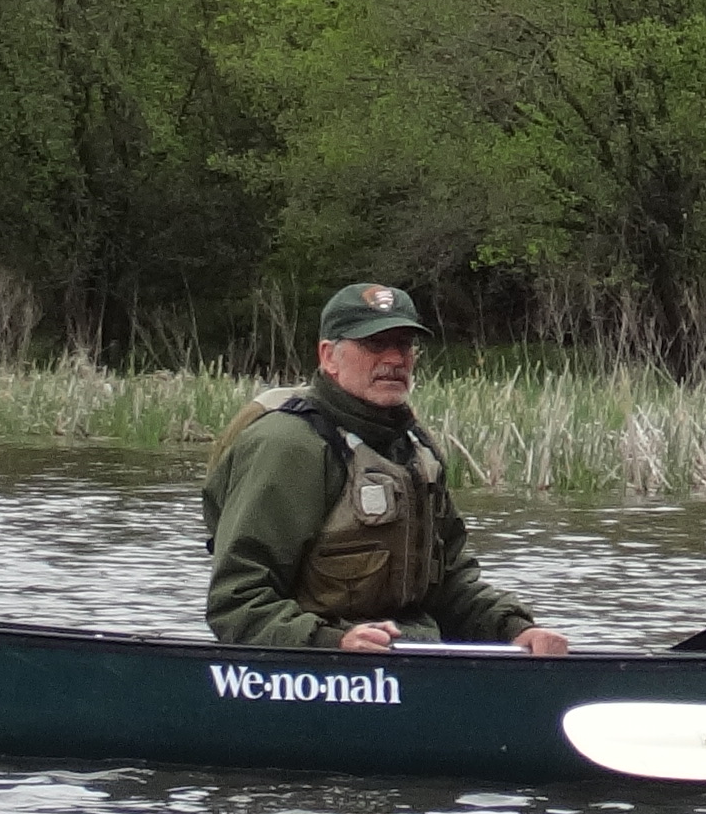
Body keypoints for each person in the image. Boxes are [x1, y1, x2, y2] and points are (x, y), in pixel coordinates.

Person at [205, 281, 569, 656]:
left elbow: (449, 583)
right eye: (375, 344)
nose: (395, 360)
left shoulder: (416, 449)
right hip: (314, 669)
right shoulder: (288, 446)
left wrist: (516, 630)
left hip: (411, 657)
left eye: (405, 345)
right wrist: (334, 643)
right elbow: (237, 601)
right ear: (329, 356)